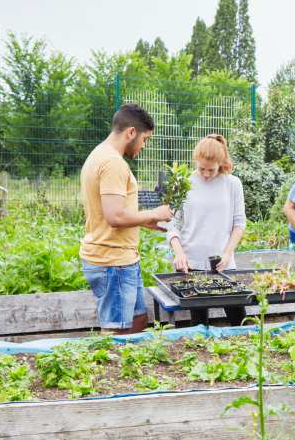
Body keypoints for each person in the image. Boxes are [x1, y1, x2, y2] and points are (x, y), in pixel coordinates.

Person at [79, 104, 173, 334]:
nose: (143, 145)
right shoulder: (113, 163)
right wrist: (155, 213)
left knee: (138, 321)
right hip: (113, 262)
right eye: (145, 139)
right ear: (131, 132)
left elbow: (111, 212)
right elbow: (114, 216)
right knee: (118, 334)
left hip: (120, 260)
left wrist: (142, 221)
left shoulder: (100, 155)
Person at [166, 134, 247, 326]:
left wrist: (228, 253)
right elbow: (172, 225)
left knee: (240, 322)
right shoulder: (182, 183)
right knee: (199, 327)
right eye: (201, 169)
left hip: (224, 265)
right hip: (191, 265)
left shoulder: (232, 184)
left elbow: (239, 223)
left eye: (211, 170)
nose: (205, 174)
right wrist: (179, 253)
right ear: (195, 161)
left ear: (221, 162)